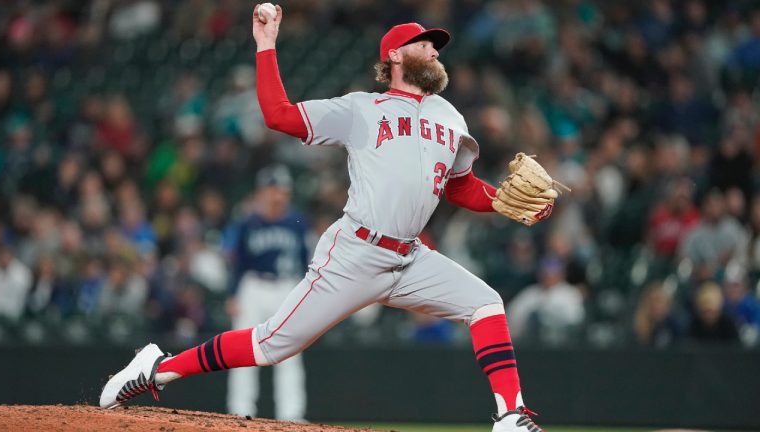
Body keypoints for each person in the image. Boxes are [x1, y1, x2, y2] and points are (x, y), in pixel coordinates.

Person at [100, 6, 554, 431]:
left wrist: (503, 201)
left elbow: (459, 186)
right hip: (356, 253)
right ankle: (157, 370)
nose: (434, 50)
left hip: (412, 258)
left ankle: (509, 416)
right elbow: (278, 116)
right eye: (423, 43)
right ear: (395, 54)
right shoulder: (362, 109)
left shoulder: (449, 117)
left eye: (435, 45)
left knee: (486, 303)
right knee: (269, 345)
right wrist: (265, 44)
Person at [225, 164, 309, 421]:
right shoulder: (248, 222)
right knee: (242, 350)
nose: (277, 195)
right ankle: (240, 411)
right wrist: (233, 293)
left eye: (281, 190)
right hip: (253, 287)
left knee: (290, 354)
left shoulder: (297, 222)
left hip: (286, 287)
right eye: (272, 189)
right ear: (262, 192)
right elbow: (238, 262)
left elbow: (307, 262)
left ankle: (291, 415)